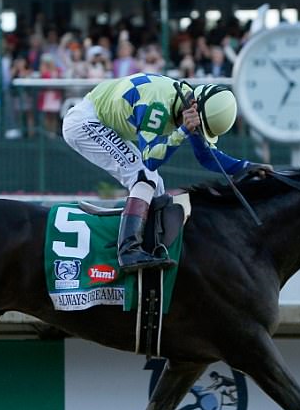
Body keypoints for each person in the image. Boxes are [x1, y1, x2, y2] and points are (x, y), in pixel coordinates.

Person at [62, 72, 271, 271]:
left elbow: (207, 156)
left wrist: (246, 167)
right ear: (194, 107)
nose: (196, 132)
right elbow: (151, 160)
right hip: (84, 122)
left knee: (157, 188)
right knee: (143, 176)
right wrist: (182, 132)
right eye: (198, 128)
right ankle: (127, 251)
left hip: (104, 121)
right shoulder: (157, 106)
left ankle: (150, 246)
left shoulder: (189, 102)